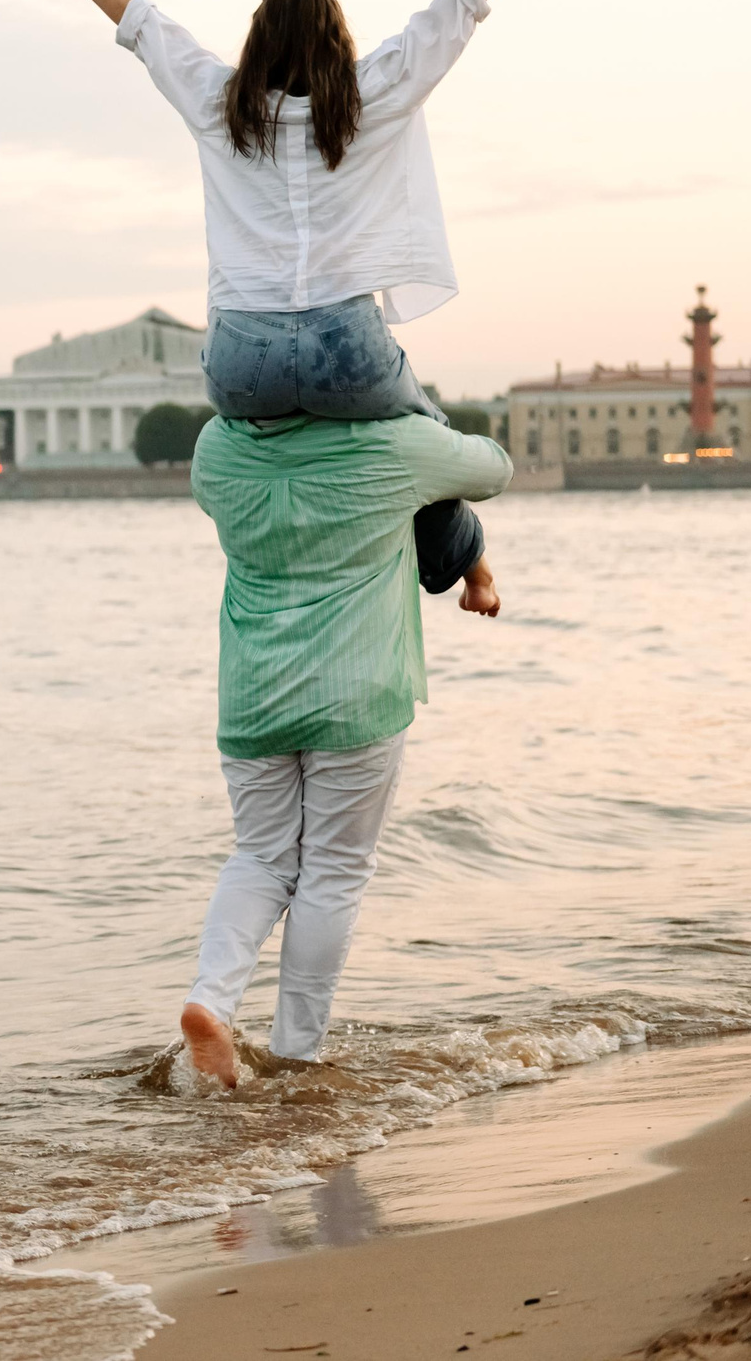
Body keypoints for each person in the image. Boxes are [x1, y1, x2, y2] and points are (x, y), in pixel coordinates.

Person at [0, 0, 599, 609]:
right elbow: (452, 12)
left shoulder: (219, 104)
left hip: (240, 358)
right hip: (344, 346)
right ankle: (471, 572)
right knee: (423, 435)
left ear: (257, 43)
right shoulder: (367, 97)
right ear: (334, 41)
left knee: (286, 433)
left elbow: (147, 30)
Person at [170, 409, 511, 1085]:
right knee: (333, 868)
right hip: (357, 691)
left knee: (261, 855)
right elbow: (493, 466)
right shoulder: (394, 440)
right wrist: (417, 407)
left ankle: (211, 1001)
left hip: (253, 689)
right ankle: (296, 1055)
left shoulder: (218, 446)